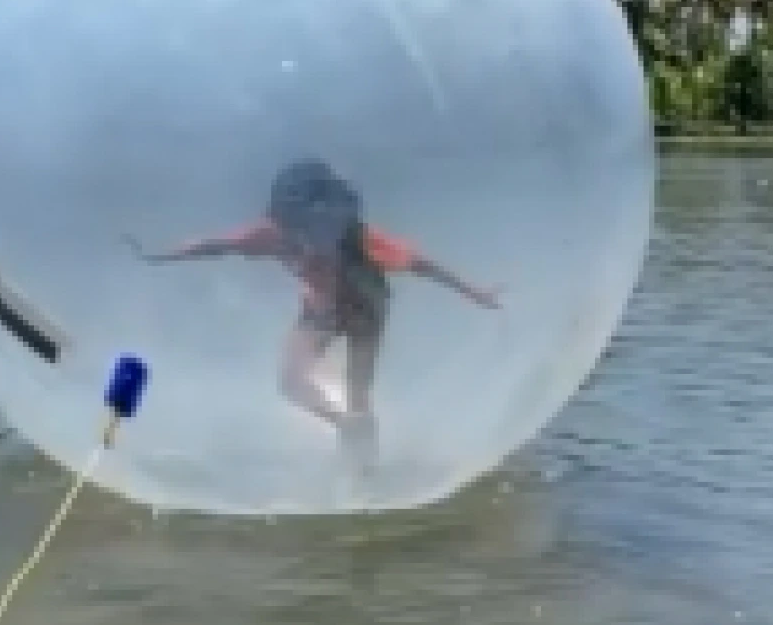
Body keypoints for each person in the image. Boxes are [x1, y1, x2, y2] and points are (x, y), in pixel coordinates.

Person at [129, 158, 500, 457]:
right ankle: (345, 426)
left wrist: (475, 292)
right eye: (302, 224)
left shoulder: (359, 237)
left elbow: (421, 264)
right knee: (291, 381)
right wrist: (158, 256)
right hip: (321, 308)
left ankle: (360, 473)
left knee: (358, 391)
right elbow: (214, 245)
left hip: (365, 306)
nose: (313, 234)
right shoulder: (271, 233)